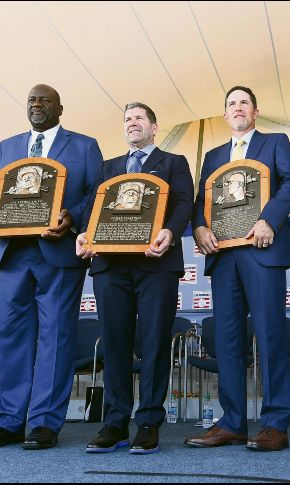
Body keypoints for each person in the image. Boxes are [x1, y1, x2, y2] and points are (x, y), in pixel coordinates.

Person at [0, 84, 103, 450]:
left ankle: (44, 422)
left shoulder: (84, 145)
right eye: (31, 99)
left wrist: (72, 216)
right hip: (14, 253)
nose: (37, 104)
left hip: (58, 252)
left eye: (45, 100)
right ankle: (10, 421)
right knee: (11, 336)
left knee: (55, 336)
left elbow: (96, 192)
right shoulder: (8, 146)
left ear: (60, 108)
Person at [186, 86, 290, 452]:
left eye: (244, 102)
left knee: (269, 336)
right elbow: (202, 200)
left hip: (262, 249)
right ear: (225, 114)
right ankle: (232, 422)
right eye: (232, 103)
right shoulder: (213, 155)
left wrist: (269, 219)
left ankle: (276, 423)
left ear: (255, 111)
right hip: (223, 256)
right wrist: (199, 226)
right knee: (227, 340)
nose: (238, 108)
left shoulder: (275, 142)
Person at [77, 102, 193, 455]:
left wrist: (170, 232)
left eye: (139, 118)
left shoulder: (174, 162)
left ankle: (148, 423)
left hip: (156, 263)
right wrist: (84, 234)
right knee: (114, 343)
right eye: (128, 119)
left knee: (155, 342)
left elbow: (184, 203)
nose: (132, 123)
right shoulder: (107, 167)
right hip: (111, 266)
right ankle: (115, 423)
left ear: (154, 127)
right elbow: (93, 208)